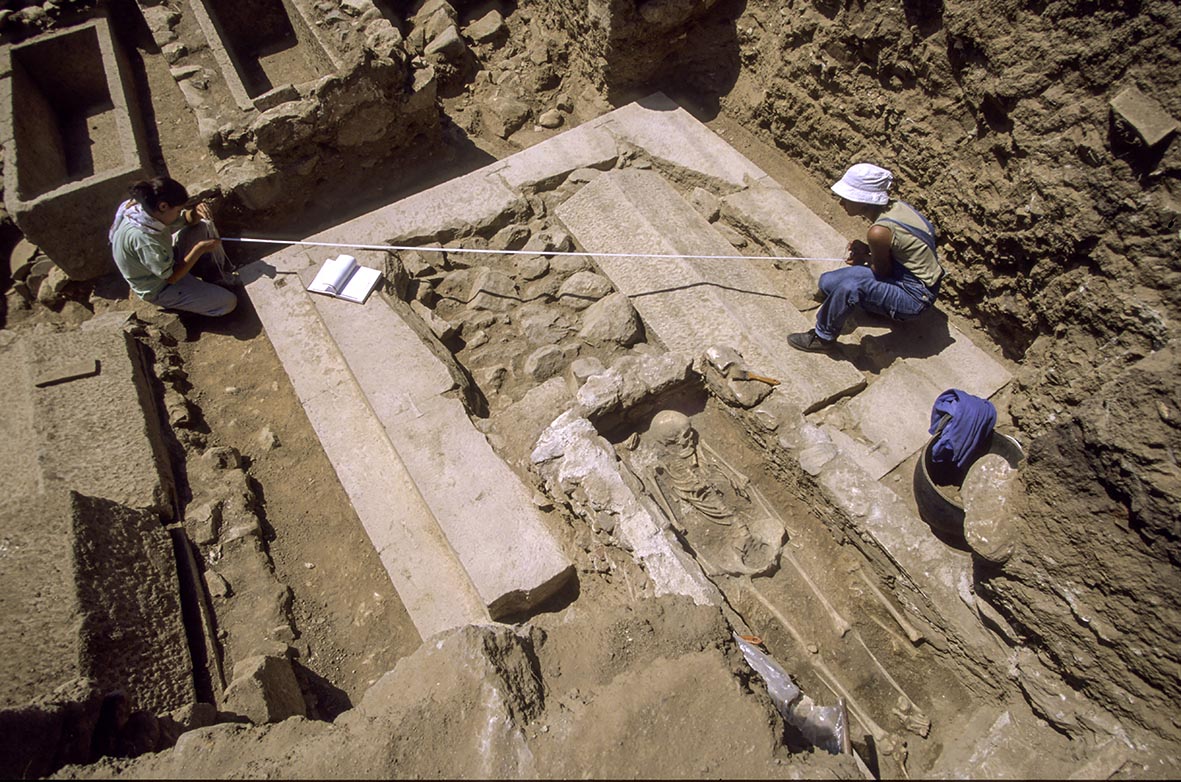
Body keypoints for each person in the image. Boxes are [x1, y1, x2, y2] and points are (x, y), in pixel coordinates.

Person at [788, 163, 944, 352]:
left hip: (915, 296)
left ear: (864, 200)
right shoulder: (897, 207)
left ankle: (823, 337)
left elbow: (882, 271)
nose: (841, 203)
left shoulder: (878, 232)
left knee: (850, 288)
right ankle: (877, 304)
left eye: (847, 198)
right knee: (827, 283)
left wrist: (863, 257)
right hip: (903, 275)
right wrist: (868, 254)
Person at [109, 177, 238, 317]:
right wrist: (199, 249)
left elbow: (184, 219)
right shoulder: (144, 239)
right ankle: (186, 306)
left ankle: (214, 276)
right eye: (178, 210)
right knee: (228, 302)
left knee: (202, 227)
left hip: (164, 258)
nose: (179, 213)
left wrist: (195, 213)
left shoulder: (145, 209)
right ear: (163, 206)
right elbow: (171, 277)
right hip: (160, 286)